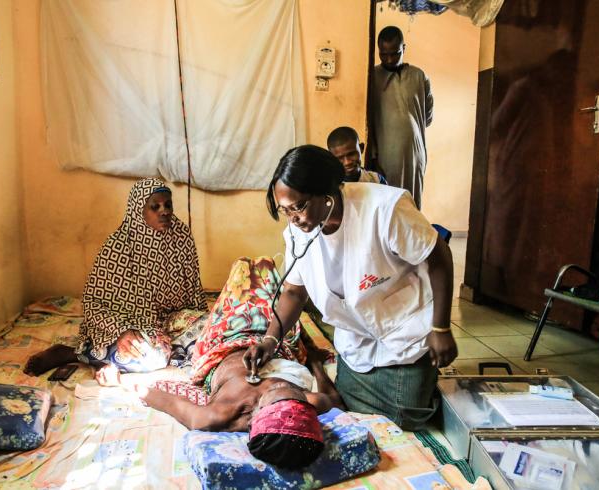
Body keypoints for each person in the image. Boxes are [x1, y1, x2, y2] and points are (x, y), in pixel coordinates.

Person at [246, 145, 457, 431]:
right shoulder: (299, 230)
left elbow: (439, 256)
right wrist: (270, 340)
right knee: (346, 406)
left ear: (325, 192)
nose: (293, 218)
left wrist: (441, 328)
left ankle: (421, 378)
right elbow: (295, 292)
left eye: (297, 207)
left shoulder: (385, 208)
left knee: (406, 418)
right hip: (356, 340)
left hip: (403, 332)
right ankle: (331, 375)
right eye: (284, 210)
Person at [126, 257, 343, 469]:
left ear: (261, 411)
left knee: (243, 268)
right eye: (290, 392)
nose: (280, 384)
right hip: (271, 342)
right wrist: (314, 363)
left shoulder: (218, 414)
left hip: (225, 340)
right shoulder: (303, 407)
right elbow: (335, 401)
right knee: (267, 271)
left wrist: (124, 383)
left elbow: (158, 398)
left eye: (279, 391)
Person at [24, 178, 207, 376]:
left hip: (171, 320)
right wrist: (121, 331)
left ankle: (174, 348)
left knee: (214, 328)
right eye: (155, 206)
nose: (164, 211)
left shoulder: (181, 238)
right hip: (129, 323)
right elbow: (92, 304)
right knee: (153, 358)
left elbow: (194, 289)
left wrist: (201, 322)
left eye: (168, 205)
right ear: (139, 210)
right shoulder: (117, 247)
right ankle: (73, 354)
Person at [370, 25, 433, 209]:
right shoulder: (372, 77)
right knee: (389, 204)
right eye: (383, 54)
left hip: (415, 154)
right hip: (385, 158)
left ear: (404, 48)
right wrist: (374, 157)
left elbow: (427, 116)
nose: (389, 59)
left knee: (412, 203)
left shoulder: (419, 76)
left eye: (395, 53)